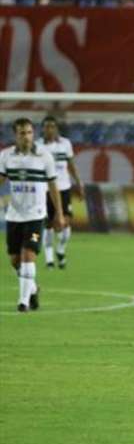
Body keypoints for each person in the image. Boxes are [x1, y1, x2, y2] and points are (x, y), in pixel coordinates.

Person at [0, 118, 64, 312]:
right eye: (22, 133)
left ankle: (23, 302)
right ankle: (33, 289)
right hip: (14, 215)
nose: (26, 136)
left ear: (33, 134)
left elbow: (53, 187)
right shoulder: (5, 156)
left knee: (28, 255)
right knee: (14, 259)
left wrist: (59, 214)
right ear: (15, 135)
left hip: (36, 215)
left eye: (29, 132)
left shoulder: (44, 157)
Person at [35, 116, 84, 269]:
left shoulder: (65, 144)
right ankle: (49, 260)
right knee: (48, 225)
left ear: (56, 128)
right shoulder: (37, 146)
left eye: (52, 126)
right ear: (42, 128)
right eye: (47, 126)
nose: (49, 129)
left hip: (64, 188)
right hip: (45, 189)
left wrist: (79, 183)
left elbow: (71, 165)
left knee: (65, 222)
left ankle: (61, 249)